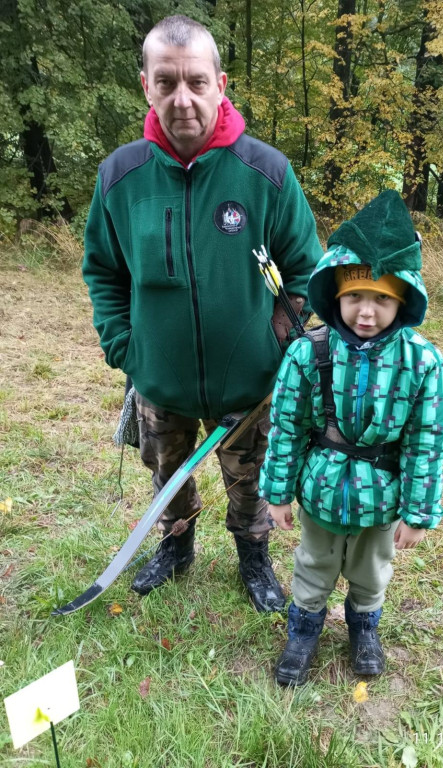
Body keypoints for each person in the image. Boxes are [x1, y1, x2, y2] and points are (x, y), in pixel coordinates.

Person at [82, 15, 322, 611]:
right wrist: (124, 346)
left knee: (253, 481)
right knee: (168, 475)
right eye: (167, 82)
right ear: (146, 85)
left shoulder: (266, 173)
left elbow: (307, 271)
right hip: (160, 383)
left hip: (249, 386)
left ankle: (253, 556)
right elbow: (103, 272)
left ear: (220, 82)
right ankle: (176, 544)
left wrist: (279, 339)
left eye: (195, 81)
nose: (182, 98)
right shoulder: (120, 177)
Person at [259, 190, 443, 684]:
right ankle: (303, 630)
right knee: (312, 566)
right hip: (321, 491)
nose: (367, 311)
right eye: (355, 296)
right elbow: (286, 428)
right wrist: (277, 492)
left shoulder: (422, 363)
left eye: (382, 298)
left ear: (403, 298)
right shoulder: (308, 354)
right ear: (335, 293)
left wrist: (418, 510)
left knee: (370, 573)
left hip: (382, 500)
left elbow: (427, 443)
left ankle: (364, 628)